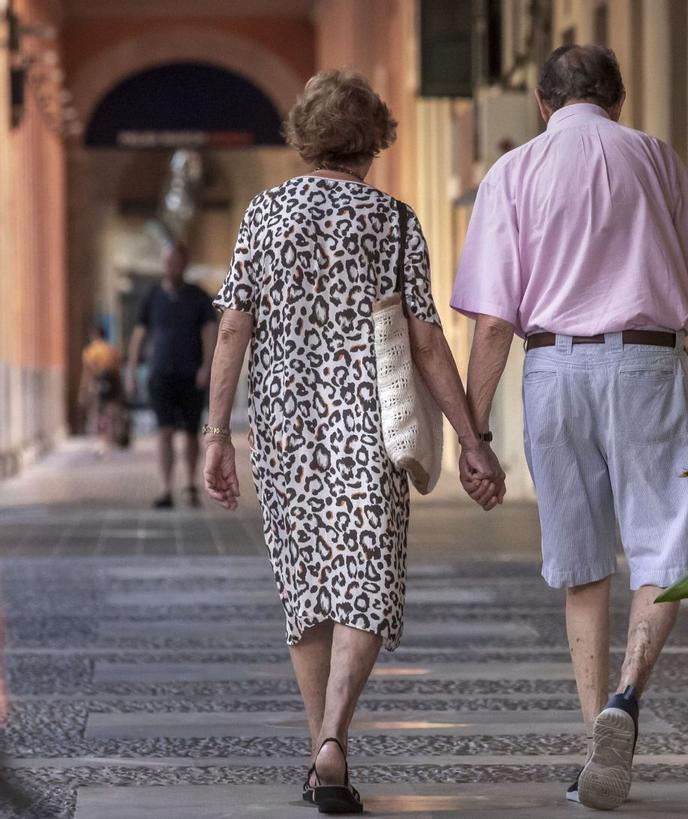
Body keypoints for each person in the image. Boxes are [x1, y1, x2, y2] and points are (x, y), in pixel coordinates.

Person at [203, 69, 505, 815]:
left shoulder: (264, 214)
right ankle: (334, 738)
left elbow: (234, 325)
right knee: (366, 576)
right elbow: (428, 343)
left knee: (306, 586)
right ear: (372, 142)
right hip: (367, 425)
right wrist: (473, 438)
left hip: (284, 430)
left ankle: (322, 754)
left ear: (306, 137)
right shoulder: (393, 220)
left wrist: (215, 434)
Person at [451, 44, 688, 810]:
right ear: (620, 100)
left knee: (580, 562)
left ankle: (591, 739)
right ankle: (625, 701)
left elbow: (493, 326)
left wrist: (473, 437)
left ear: (542, 105)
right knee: (662, 546)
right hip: (647, 364)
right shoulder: (657, 160)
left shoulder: (511, 173)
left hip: (553, 372)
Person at [125, 243, 217, 508]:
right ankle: (166, 488)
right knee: (164, 432)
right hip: (161, 374)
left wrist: (207, 366)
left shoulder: (198, 297)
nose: (171, 267)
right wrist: (131, 371)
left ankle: (190, 484)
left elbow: (210, 332)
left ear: (184, 264)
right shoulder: (152, 296)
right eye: (167, 262)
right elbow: (140, 334)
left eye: (176, 261)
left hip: (191, 374)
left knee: (190, 432)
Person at [78, 324, 125, 454]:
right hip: (112, 382)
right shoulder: (112, 350)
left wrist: (83, 392)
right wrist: (121, 389)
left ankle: (101, 440)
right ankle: (111, 437)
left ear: (93, 335)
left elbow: (87, 373)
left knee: (97, 411)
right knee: (111, 410)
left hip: (97, 381)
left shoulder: (90, 351)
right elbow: (117, 371)